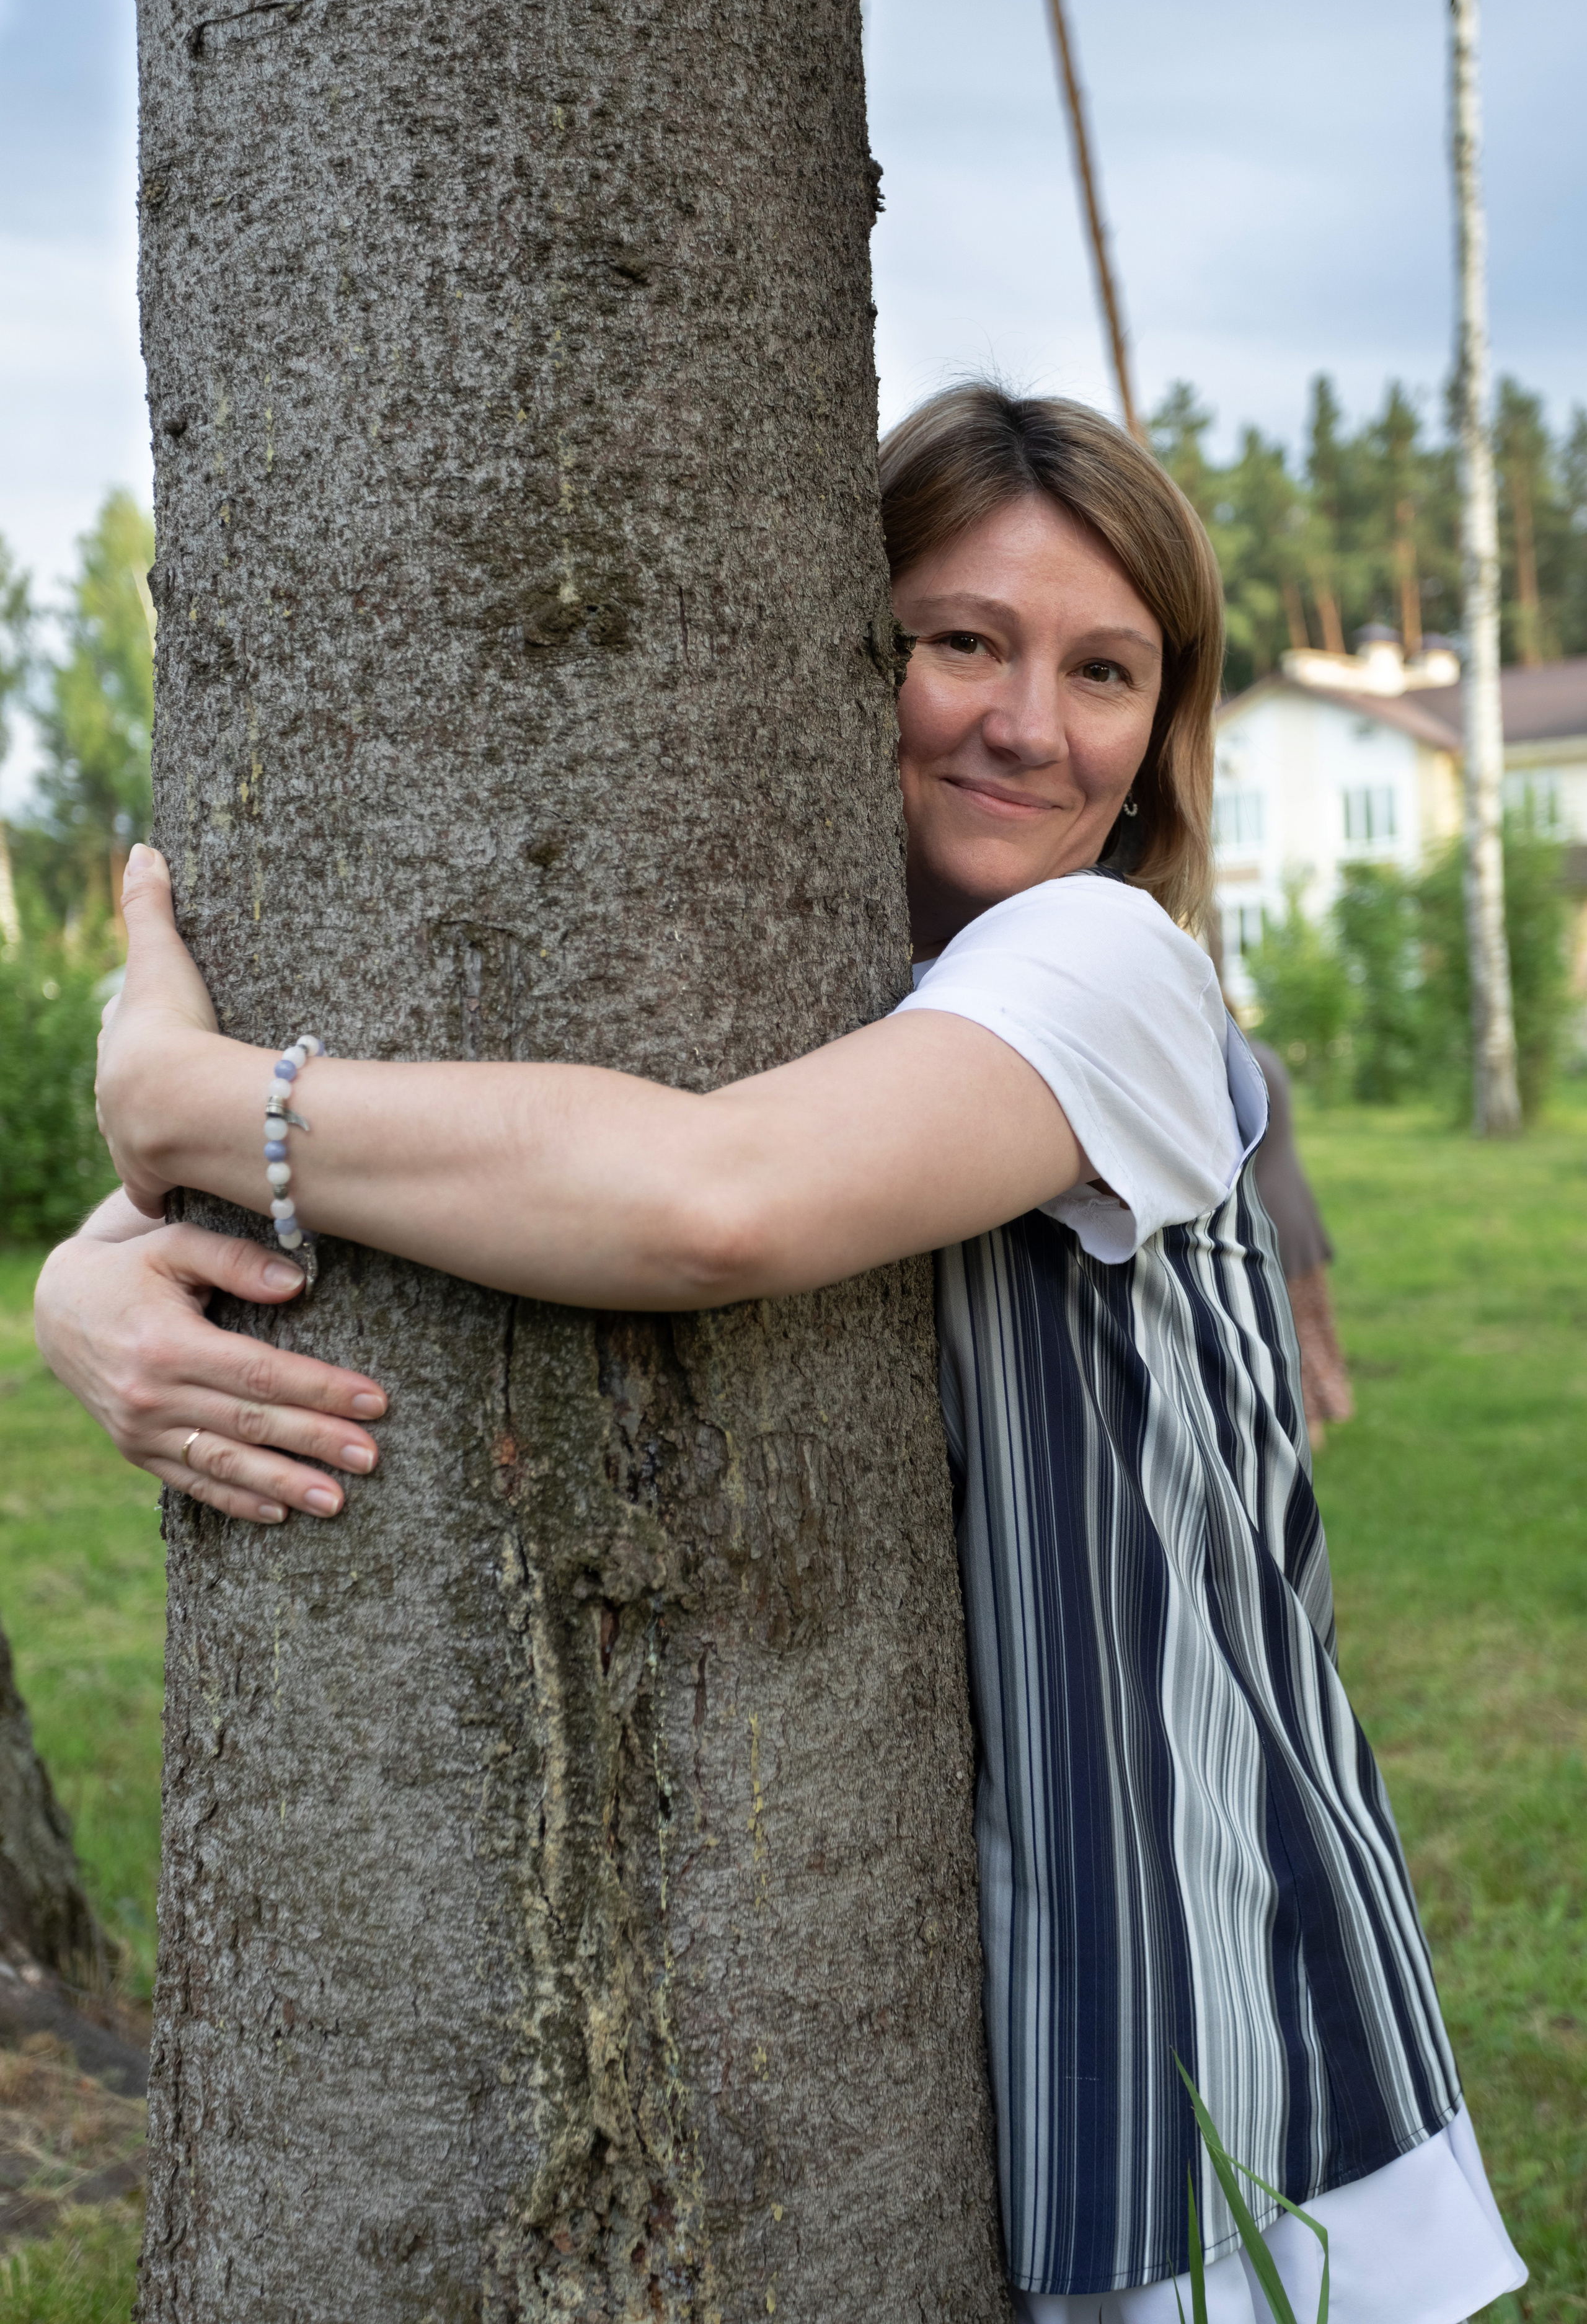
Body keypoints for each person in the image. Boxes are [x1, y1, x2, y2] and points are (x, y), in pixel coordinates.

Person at [35, 388, 1524, 2322]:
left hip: (1195, 1992)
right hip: (987, 1976)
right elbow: (554, 1151)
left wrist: (182, 1096)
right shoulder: (845, 1000)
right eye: (958, 638)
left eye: (1105, 670)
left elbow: (702, 1202)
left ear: (1162, 742)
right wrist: (91, 1273)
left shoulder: (1103, 968)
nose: (1025, 718)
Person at [1247, 1036, 1355, 1445]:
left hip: (1267, 1210)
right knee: (1303, 1321)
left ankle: (1308, 1431)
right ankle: (1315, 1423)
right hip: (1290, 1201)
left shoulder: (1238, 1060)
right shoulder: (1262, 1052)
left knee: (1286, 1326)